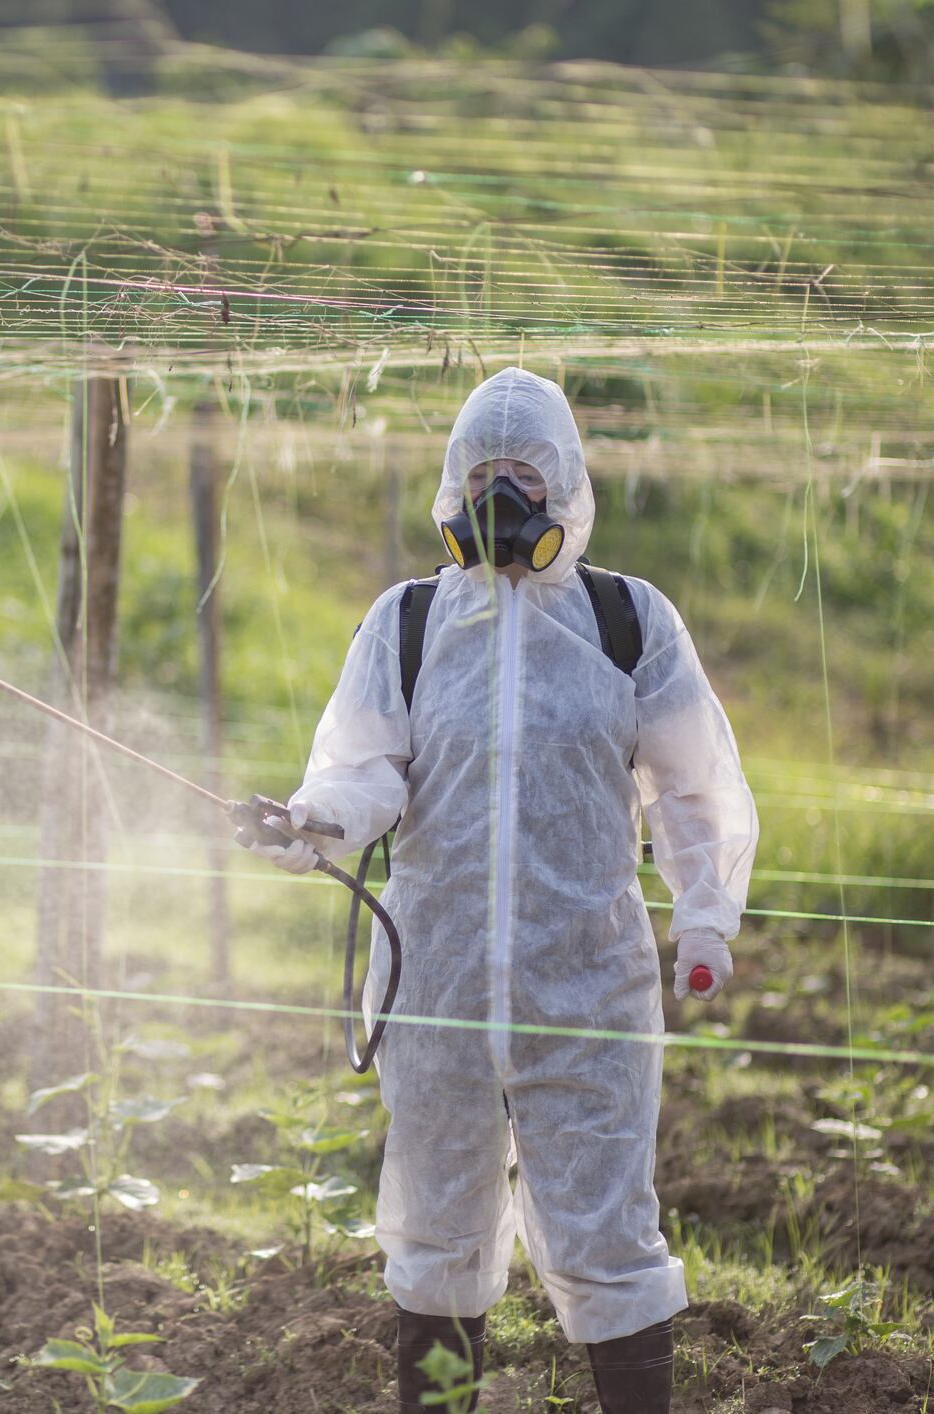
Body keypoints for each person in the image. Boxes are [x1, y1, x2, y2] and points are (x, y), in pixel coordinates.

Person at [243, 367, 757, 1413]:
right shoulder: (410, 623)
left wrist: (704, 915)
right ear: (452, 489)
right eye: (484, 473)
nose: (504, 495)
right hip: (437, 987)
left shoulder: (628, 621)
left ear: (566, 486)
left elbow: (695, 785)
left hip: (590, 994)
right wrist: (317, 820)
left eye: (525, 473)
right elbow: (362, 766)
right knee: (437, 1237)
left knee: (611, 1234)